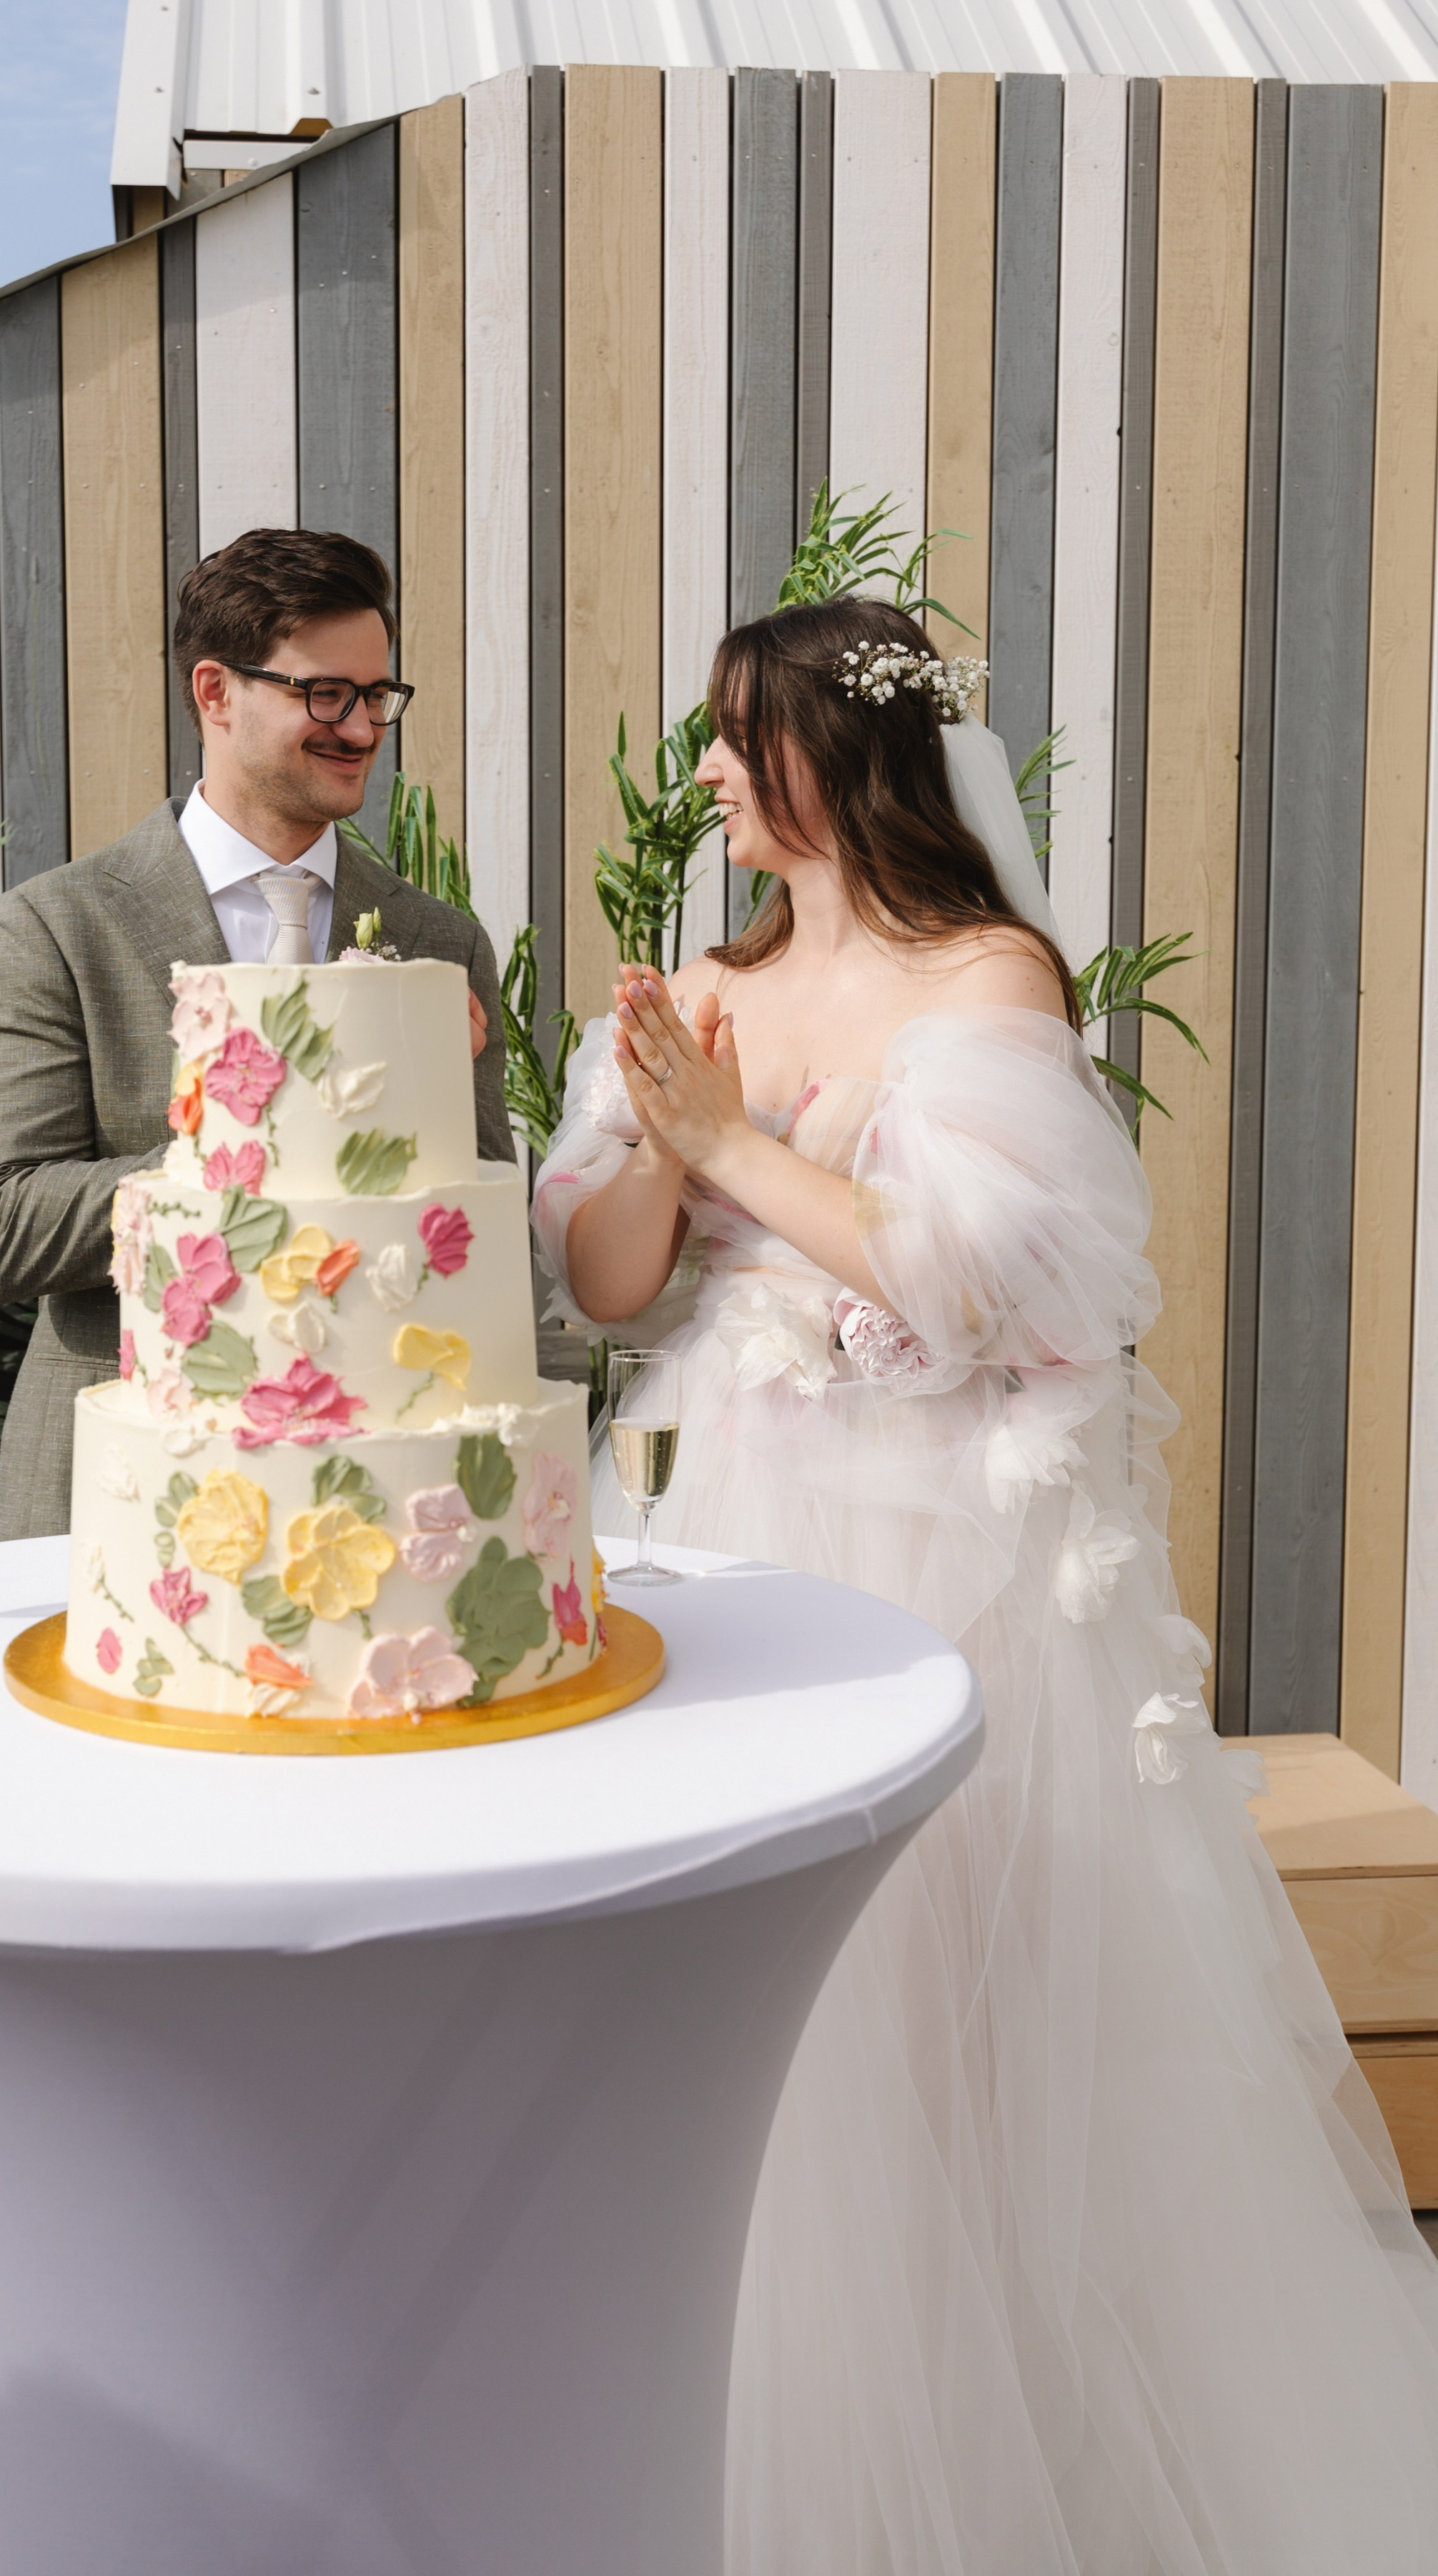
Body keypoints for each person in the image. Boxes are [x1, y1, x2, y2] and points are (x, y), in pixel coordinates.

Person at [533, 597, 1438, 2573]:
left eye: (735, 735)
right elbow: (604, 1287)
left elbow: (987, 1287)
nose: (705, 773)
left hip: (934, 1542)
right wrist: (658, 1140)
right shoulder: (710, 984)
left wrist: (731, 1146)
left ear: (833, 754)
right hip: (720, 1516)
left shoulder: (983, 973)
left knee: (937, 1998)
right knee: (747, 2007)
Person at [0, 527, 515, 1542]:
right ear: (215, 690)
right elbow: (0, 1228)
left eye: (377, 694)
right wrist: (266, 1143)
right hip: (121, 1498)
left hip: (374, 1507)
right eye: (325, 694)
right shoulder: (58, 926)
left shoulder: (442, 943)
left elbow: (481, 1231)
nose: (362, 727)